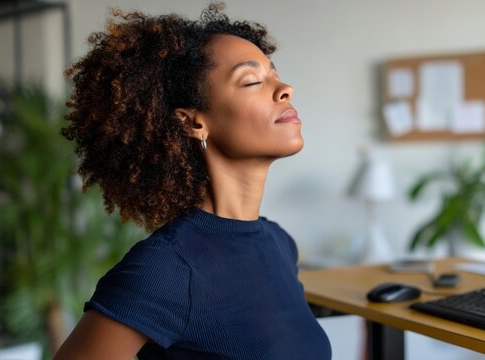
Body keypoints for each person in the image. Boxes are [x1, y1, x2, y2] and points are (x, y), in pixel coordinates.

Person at [53, 3, 331, 359]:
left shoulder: (280, 244)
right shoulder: (165, 269)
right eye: (251, 81)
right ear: (192, 122)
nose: (285, 89)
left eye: (275, 74)